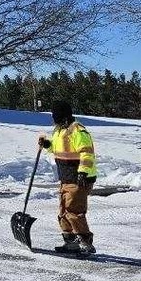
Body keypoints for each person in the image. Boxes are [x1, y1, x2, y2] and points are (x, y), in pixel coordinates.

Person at [37, 99, 98, 255]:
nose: (53, 118)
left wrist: (83, 171)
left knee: (74, 211)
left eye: (55, 115)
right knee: (64, 210)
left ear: (63, 115)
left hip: (79, 178)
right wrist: (47, 145)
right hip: (65, 177)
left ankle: (85, 243)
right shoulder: (59, 131)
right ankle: (70, 242)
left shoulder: (77, 130)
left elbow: (87, 152)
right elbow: (59, 150)